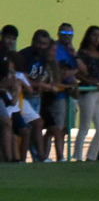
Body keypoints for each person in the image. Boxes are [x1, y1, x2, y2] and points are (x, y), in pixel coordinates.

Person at [17, 30, 61, 161]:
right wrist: (34, 85)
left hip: (36, 96)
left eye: (44, 44)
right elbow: (20, 76)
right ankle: (30, 158)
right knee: (28, 128)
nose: (41, 46)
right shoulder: (24, 55)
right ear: (33, 41)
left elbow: (39, 75)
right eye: (39, 43)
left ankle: (39, 158)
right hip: (21, 97)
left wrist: (39, 84)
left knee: (35, 126)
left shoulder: (42, 57)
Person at [74, 25, 99, 161]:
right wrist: (91, 81)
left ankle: (91, 157)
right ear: (88, 37)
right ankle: (78, 157)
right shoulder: (82, 53)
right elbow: (78, 73)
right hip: (88, 92)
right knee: (85, 126)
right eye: (94, 35)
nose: (96, 38)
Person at [51, 23, 79, 161]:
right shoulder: (56, 49)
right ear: (58, 33)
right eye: (64, 33)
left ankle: (63, 155)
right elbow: (57, 71)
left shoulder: (72, 51)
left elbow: (79, 70)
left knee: (67, 127)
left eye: (70, 34)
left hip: (70, 93)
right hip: (59, 94)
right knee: (57, 127)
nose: (67, 36)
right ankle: (60, 156)